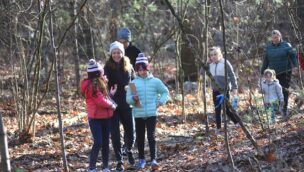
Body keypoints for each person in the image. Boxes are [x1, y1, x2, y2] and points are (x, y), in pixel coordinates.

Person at [126, 53, 169, 170]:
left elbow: (165, 92)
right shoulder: (133, 83)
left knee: (151, 136)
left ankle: (153, 159)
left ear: (148, 68)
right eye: (139, 70)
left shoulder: (155, 81)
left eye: (144, 69)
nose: (142, 72)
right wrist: (132, 100)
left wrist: (161, 102)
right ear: (137, 70)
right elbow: (128, 99)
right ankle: (141, 159)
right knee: (140, 137)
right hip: (138, 114)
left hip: (151, 113)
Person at [104, 41, 136, 171]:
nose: (117, 55)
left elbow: (134, 82)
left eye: (119, 52)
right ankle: (119, 161)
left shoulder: (129, 66)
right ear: (111, 54)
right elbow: (103, 86)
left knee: (131, 133)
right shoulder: (107, 67)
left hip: (127, 103)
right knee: (115, 134)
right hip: (113, 105)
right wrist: (108, 91)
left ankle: (127, 150)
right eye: (114, 52)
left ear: (122, 53)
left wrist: (133, 91)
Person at [80, 59, 117, 172]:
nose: (104, 74)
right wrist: (112, 106)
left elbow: (104, 96)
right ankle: (92, 167)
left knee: (105, 142)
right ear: (98, 74)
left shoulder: (99, 83)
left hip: (105, 117)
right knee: (99, 142)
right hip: (95, 119)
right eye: (102, 73)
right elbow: (100, 100)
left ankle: (105, 166)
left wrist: (111, 94)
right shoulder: (92, 86)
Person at [261, 30, 298, 117]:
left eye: (277, 37)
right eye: (274, 37)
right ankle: (276, 110)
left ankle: (284, 110)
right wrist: (262, 71)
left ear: (280, 37)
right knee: (274, 92)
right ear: (271, 38)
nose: (275, 39)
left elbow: (293, 56)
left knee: (284, 90)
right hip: (273, 74)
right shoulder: (269, 48)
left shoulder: (286, 45)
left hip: (285, 72)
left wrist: (295, 66)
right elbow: (266, 60)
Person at [207, 47, 239, 133]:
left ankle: (237, 123)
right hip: (215, 90)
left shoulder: (225, 63)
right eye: (211, 55)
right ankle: (218, 128)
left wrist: (234, 88)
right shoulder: (210, 64)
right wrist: (206, 63)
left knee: (227, 109)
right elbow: (201, 72)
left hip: (224, 90)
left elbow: (232, 75)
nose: (213, 56)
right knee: (217, 109)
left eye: (215, 54)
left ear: (220, 54)